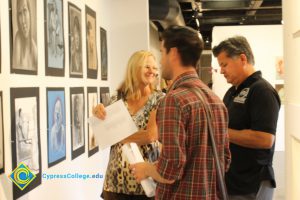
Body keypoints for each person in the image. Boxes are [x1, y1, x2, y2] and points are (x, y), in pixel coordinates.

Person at [130, 26, 231, 199]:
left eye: (162, 52)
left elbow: (171, 168)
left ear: (174, 53)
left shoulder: (174, 100)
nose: (161, 62)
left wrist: (146, 168)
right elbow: (225, 160)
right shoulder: (216, 101)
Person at [212, 36, 281, 200]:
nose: (221, 71)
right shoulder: (232, 91)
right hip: (232, 182)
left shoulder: (262, 91)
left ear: (242, 58)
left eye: (224, 64)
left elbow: (265, 139)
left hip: (251, 184)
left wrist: (221, 132)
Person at [93, 50, 164, 200]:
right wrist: (97, 115)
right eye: (147, 67)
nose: (152, 71)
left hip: (146, 184)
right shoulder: (116, 97)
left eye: (155, 68)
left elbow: (150, 136)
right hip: (114, 182)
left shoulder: (160, 99)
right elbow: (99, 137)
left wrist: (115, 134)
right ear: (134, 68)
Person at [13, 0, 37, 70]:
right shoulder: (18, 38)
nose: (23, 21)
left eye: (25, 11)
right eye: (20, 14)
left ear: (30, 13)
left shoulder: (34, 49)